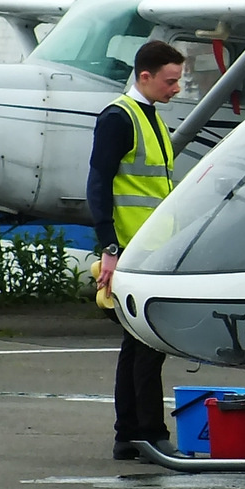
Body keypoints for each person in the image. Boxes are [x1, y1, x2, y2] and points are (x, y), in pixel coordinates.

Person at [89, 40, 186, 460]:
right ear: (144, 76)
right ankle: (148, 431)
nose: (177, 88)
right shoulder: (119, 117)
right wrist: (109, 246)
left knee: (137, 345)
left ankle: (129, 433)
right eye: (170, 80)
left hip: (150, 250)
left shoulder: (149, 117)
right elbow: (98, 185)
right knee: (149, 344)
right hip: (131, 251)